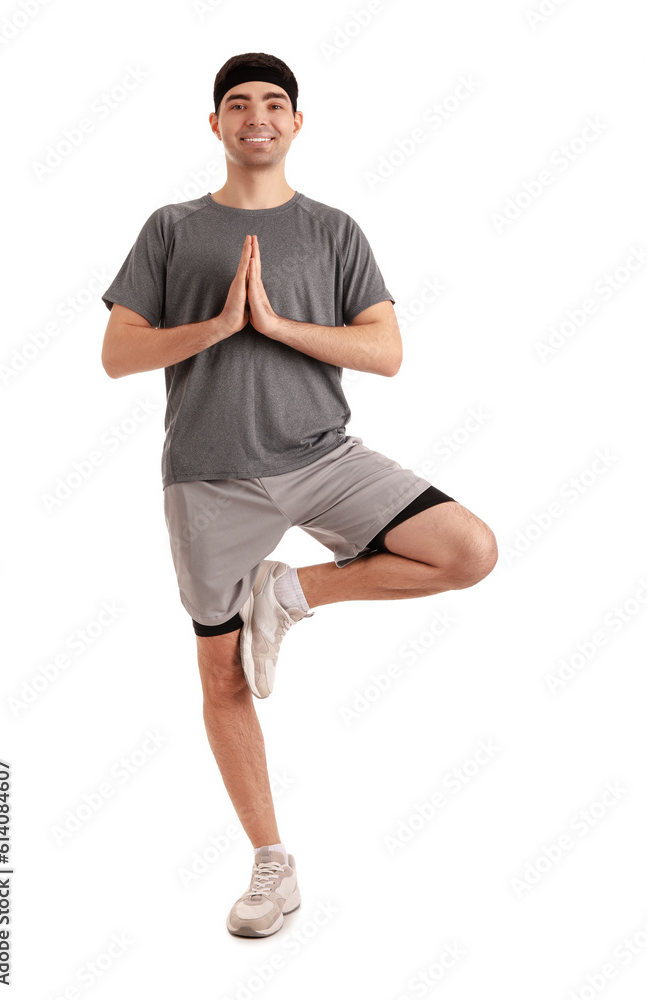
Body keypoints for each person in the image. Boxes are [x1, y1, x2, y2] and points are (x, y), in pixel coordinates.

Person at [100, 51, 498, 939]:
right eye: (237, 103)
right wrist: (217, 325)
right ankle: (271, 867)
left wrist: (277, 325)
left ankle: (288, 593)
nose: (256, 114)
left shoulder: (332, 229)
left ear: (295, 123)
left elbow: (385, 351)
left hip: (321, 456)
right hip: (206, 471)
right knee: (220, 670)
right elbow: (118, 354)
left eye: (273, 102)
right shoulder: (171, 227)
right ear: (214, 125)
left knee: (467, 548)